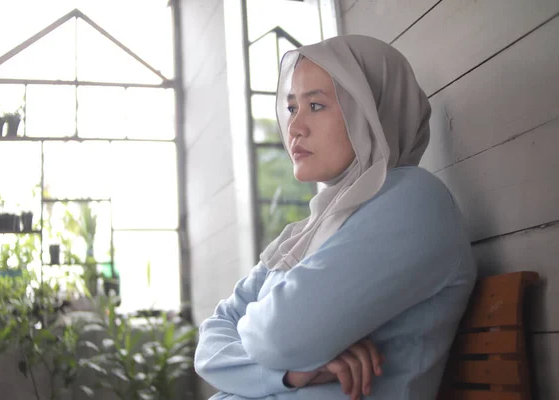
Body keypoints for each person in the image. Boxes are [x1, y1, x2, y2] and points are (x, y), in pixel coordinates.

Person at [194, 35, 477, 400]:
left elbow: (283, 333)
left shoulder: (412, 200)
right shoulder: (307, 229)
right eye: (292, 107)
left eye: (316, 105)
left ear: (372, 108)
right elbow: (211, 340)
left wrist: (260, 343)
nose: (294, 127)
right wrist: (291, 373)